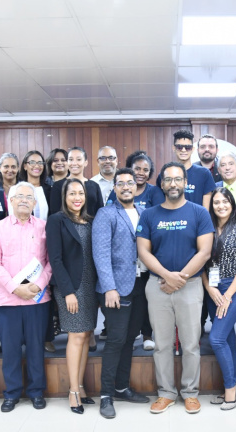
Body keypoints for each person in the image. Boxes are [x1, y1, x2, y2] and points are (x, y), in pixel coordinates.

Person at [137, 162, 214, 415]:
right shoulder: (149, 215)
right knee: (162, 344)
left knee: (191, 343)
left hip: (190, 286)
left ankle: (190, 393)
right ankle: (166, 393)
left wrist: (179, 278)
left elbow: (204, 252)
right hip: (157, 285)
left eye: (178, 179)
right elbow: (143, 251)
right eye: (168, 180)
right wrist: (166, 276)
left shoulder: (199, 212)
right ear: (161, 184)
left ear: (185, 183)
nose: (173, 184)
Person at [0, 182, 53, 413]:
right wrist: (16, 288)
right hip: (7, 301)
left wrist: (37, 285)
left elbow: (50, 262)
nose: (24, 200)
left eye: (29, 197)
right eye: (19, 196)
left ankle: (36, 392)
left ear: (35, 203)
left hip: (37, 299)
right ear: (10, 201)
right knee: (11, 350)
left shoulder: (45, 227)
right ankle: (12, 393)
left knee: (36, 348)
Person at [93, 168, 152, 419]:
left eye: (131, 183)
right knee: (116, 340)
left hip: (141, 285)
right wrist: (109, 287)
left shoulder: (144, 212)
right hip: (116, 287)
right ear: (114, 188)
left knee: (130, 338)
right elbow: (101, 253)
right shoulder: (106, 214)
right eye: (121, 183)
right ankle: (106, 395)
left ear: (136, 186)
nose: (126, 187)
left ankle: (121, 387)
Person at [46, 178, 99, 414]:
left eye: (81, 193)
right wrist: (68, 292)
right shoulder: (57, 220)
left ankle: (81, 387)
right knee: (76, 336)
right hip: (71, 288)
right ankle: (73, 392)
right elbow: (54, 259)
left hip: (91, 286)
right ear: (64, 197)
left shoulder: (90, 220)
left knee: (86, 335)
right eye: (72, 194)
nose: (77, 198)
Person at [108, 150, 164, 351]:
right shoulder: (116, 192)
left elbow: (159, 218)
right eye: (137, 168)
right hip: (122, 255)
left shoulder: (154, 192)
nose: (141, 173)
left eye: (145, 170)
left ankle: (147, 333)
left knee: (145, 296)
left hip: (147, 253)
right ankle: (131, 332)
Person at [202, 187, 236, 411]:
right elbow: (201, 263)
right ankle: (235, 386)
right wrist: (210, 290)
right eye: (216, 202)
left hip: (235, 289)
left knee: (217, 339)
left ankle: (230, 389)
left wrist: (227, 295)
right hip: (213, 290)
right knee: (228, 339)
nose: (221, 206)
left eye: (225, 202)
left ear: (232, 204)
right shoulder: (207, 229)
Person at [156, 130, 216, 209]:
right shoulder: (165, 175)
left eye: (188, 147)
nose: (183, 150)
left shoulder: (204, 173)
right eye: (179, 147)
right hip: (171, 220)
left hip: (196, 220)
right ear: (174, 148)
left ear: (193, 149)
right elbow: (161, 204)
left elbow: (206, 210)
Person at [50, 147, 104, 217]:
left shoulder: (94, 186)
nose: (74, 163)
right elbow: (55, 213)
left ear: (85, 162)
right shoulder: (58, 186)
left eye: (78, 159)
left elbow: (100, 212)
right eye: (71, 159)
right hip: (65, 226)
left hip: (92, 226)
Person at [16, 150, 51, 221]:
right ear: (25, 166)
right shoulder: (17, 189)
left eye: (40, 163)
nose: (37, 166)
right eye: (32, 162)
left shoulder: (49, 190)